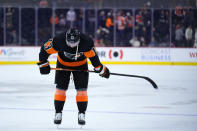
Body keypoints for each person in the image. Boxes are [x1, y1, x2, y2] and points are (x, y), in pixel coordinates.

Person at [37, 28, 110, 126]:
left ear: (79, 40)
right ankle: (58, 112)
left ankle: (82, 113)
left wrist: (100, 69)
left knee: (82, 91)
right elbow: (44, 51)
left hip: (81, 65)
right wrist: (43, 64)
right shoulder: (58, 40)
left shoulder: (86, 42)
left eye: (74, 43)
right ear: (65, 38)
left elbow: (94, 58)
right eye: (69, 42)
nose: (71, 45)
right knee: (60, 90)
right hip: (62, 64)